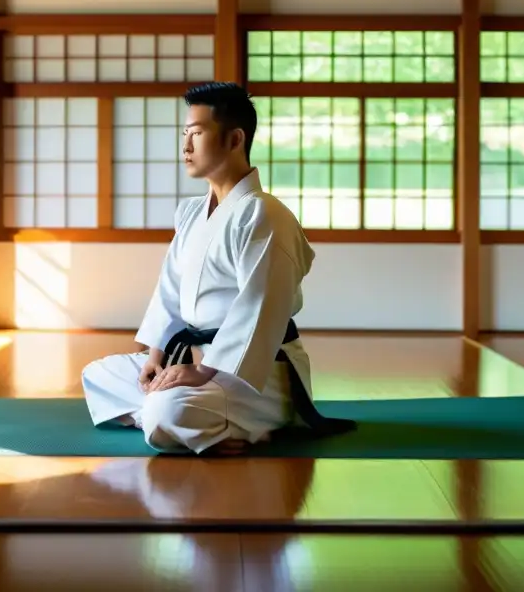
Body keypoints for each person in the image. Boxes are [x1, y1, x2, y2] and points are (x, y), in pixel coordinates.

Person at [81, 82, 354, 455]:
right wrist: (157, 358)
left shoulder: (264, 214)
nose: (186, 146)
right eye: (184, 134)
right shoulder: (193, 212)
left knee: (167, 409)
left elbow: (262, 308)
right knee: (98, 374)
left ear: (234, 139)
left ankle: (241, 419)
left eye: (197, 133)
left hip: (251, 373)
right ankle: (207, 426)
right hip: (191, 361)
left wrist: (205, 371)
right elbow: (170, 292)